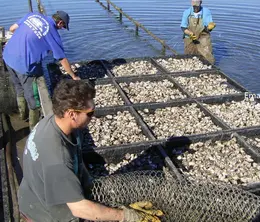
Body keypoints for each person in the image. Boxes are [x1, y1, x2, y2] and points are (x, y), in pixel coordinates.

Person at [18, 79, 163, 222]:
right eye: (90, 113)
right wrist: (125, 216)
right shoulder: (57, 159)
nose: (93, 117)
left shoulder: (52, 120)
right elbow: (79, 208)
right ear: (72, 114)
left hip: (35, 191)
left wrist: (88, 183)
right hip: (43, 213)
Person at [3, 11, 80, 129]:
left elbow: (12, 29)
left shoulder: (33, 15)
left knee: (19, 89)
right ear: (60, 22)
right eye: (62, 26)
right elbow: (62, 58)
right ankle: (33, 128)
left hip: (7, 56)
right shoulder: (52, 33)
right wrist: (73, 76)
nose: (61, 29)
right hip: (24, 66)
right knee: (33, 100)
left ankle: (22, 116)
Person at [181, 0, 216, 64]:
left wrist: (210, 28)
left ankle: (209, 67)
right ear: (191, 4)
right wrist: (190, 33)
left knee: (207, 55)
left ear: (201, 3)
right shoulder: (187, 12)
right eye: (194, 6)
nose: (195, 8)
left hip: (203, 36)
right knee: (189, 57)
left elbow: (208, 28)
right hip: (189, 37)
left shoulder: (206, 12)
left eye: (197, 6)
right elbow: (183, 27)